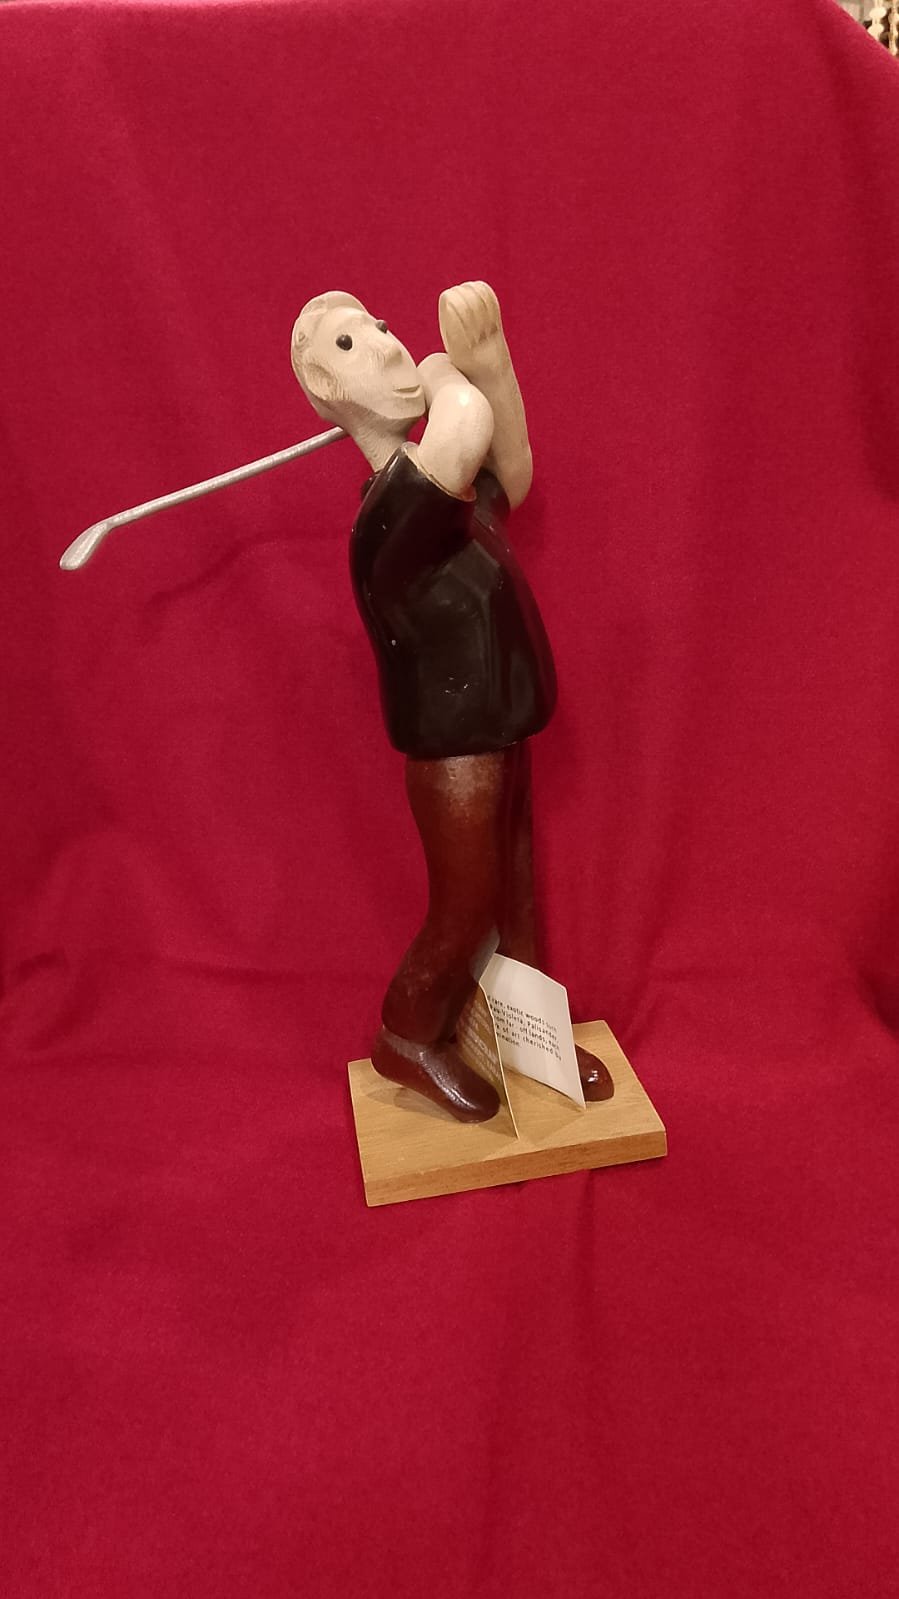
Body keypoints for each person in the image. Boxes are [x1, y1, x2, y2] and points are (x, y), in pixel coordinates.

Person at [291, 282, 612, 1120]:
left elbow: (512, 470)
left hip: (502, 731)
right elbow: (465, 426)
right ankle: (405, 1034)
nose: (387, 341)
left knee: (515, 897)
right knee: (466, 908)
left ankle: (528, 1038)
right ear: (325, 389)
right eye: (350, 344)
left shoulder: (449, 502)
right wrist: (445, 371)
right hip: (454, 753)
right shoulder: (390, 515)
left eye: (378, 325)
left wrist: (492, 365)